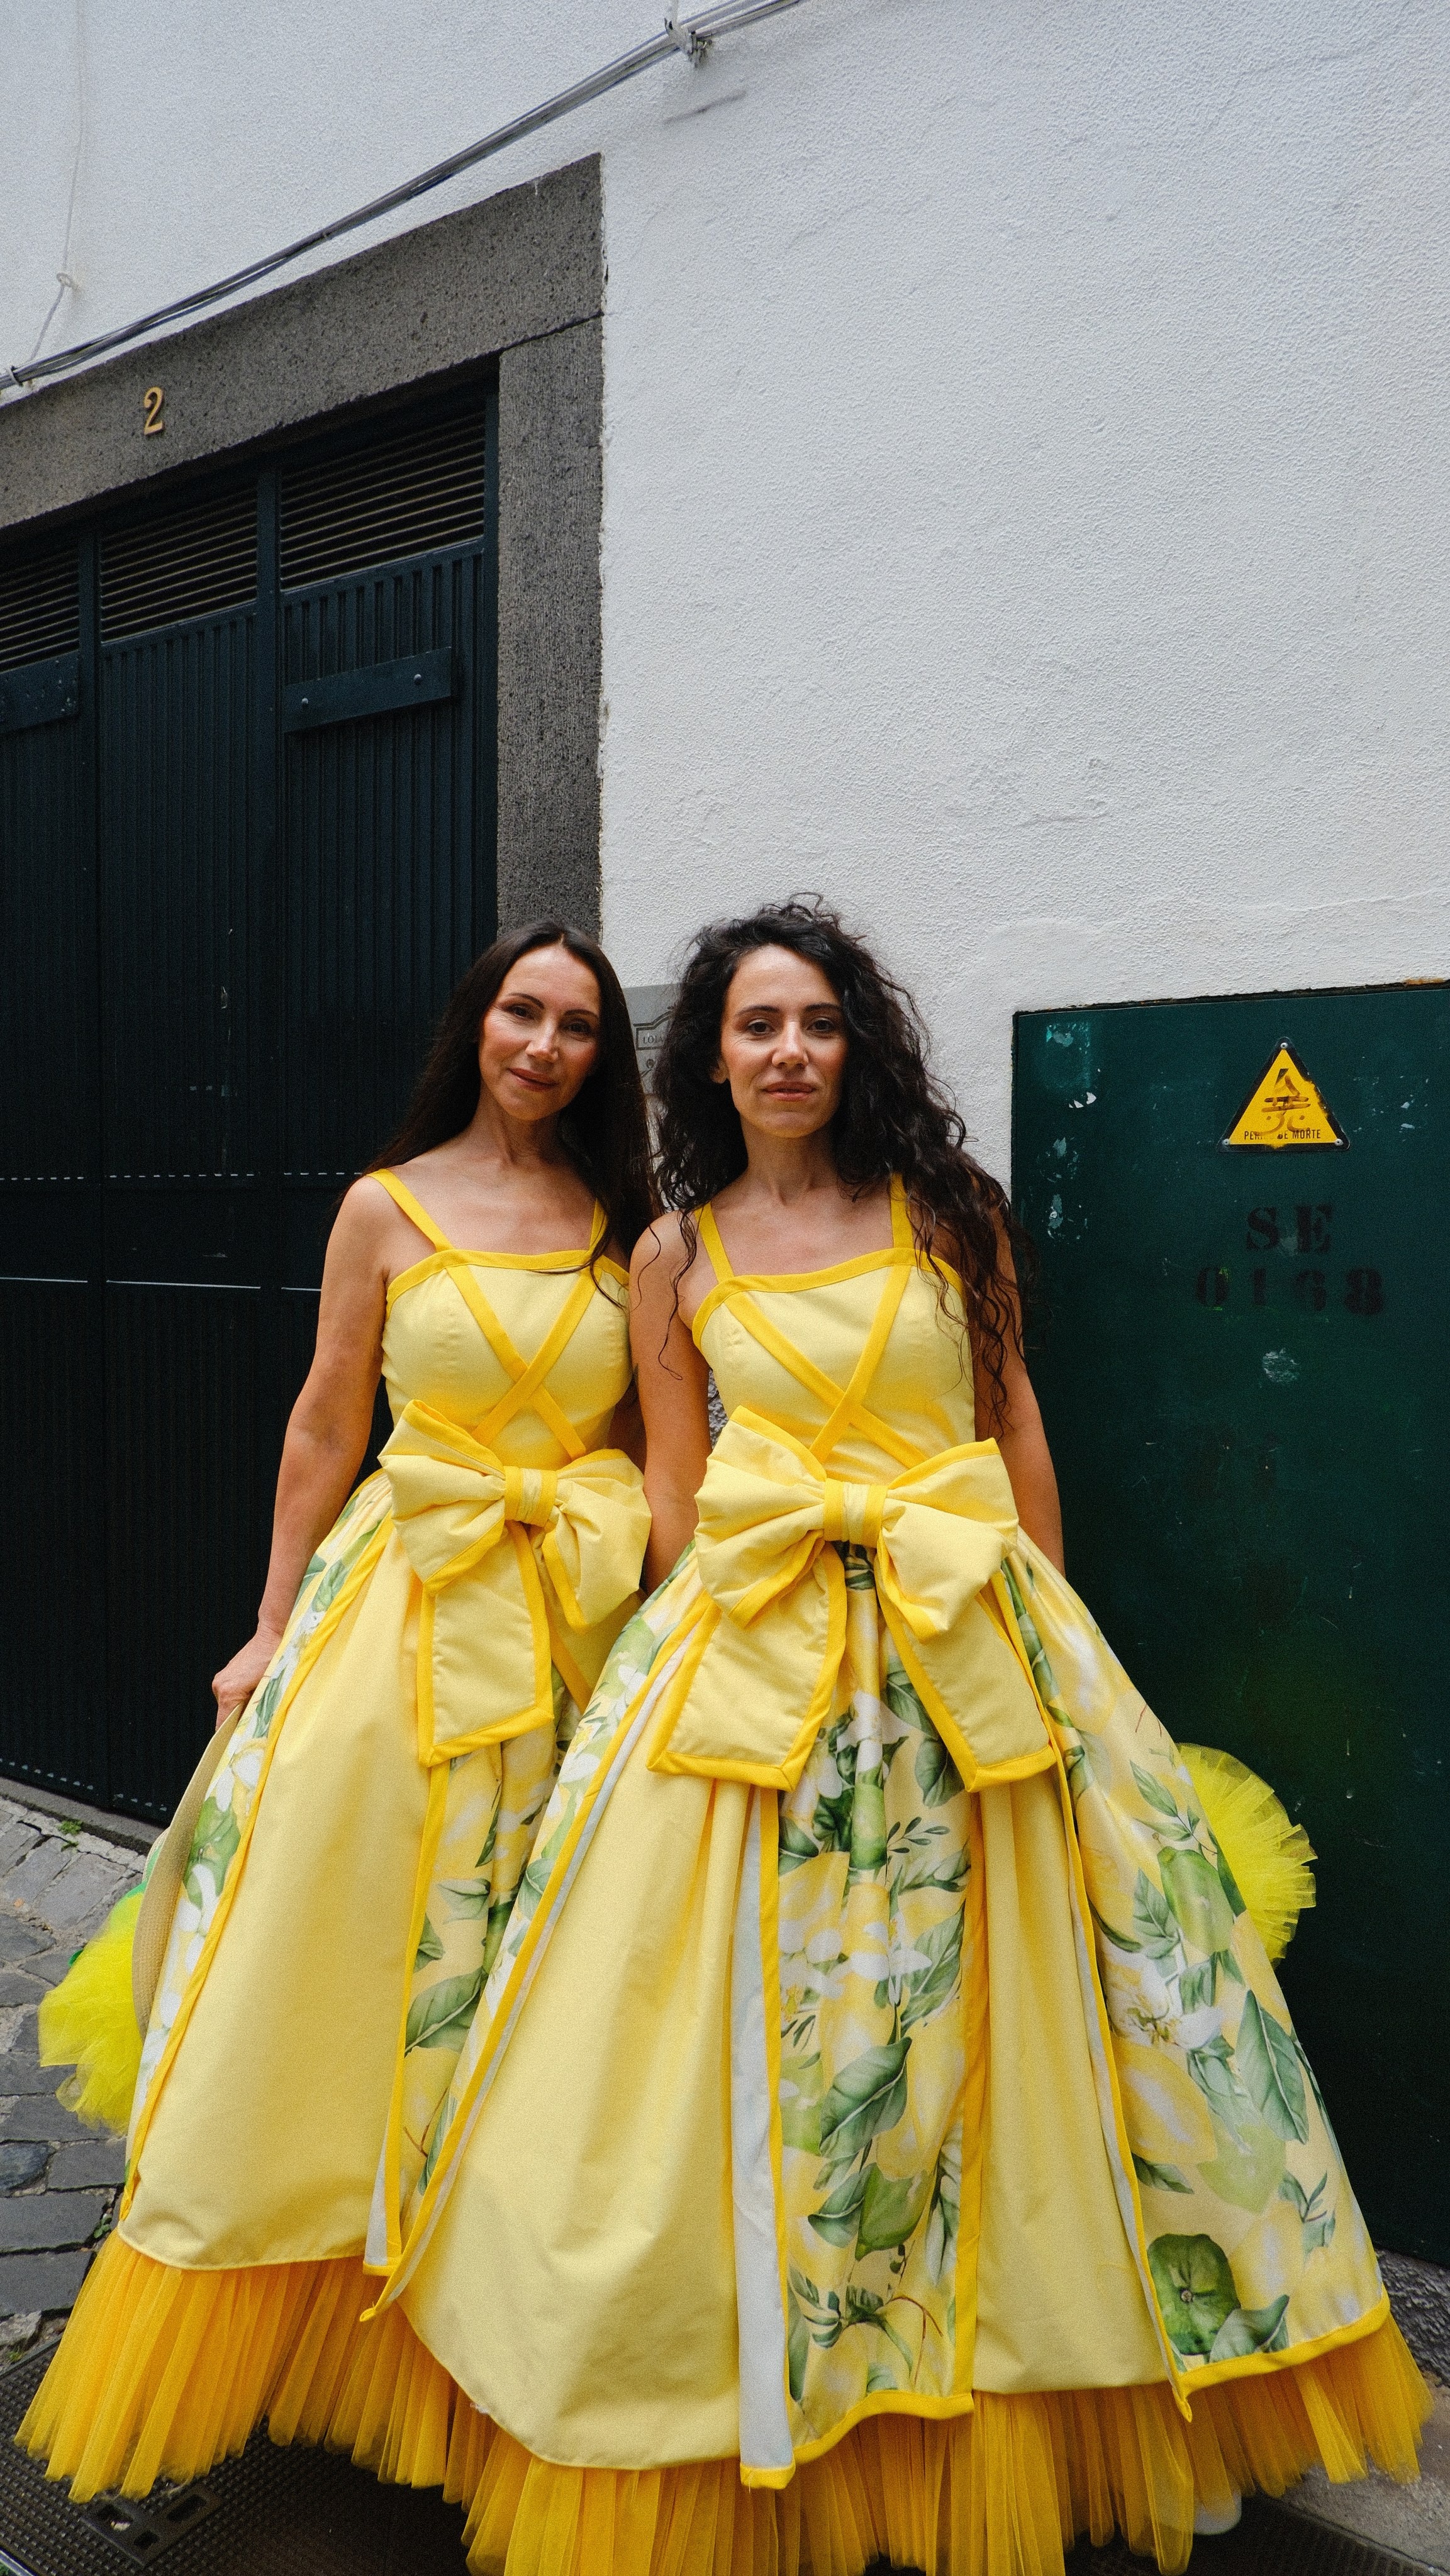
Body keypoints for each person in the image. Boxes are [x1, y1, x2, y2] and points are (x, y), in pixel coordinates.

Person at [287, 897, 1418, 2576]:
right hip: (757, 1670)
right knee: (735, 2040)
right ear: (711, 1058)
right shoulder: (670, 1257)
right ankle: (735, 2394)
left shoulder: (948, 1210)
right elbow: (672, 1500)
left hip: (974, 1645)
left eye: (816, 1022)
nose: (791, 1052)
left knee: (1053, 2022)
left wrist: (1055, 1634)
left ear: (857, 1042)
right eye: (757, 1026)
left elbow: (1008, 1420)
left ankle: (1041, 2379)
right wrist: (642, 1700)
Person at [21, 920, 655, 2504]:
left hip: (574, 1623)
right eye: (523, 1010)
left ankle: (472, 2321)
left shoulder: (628, 1224)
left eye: (579, 1023)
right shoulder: (385, 1201)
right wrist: (267, 1619)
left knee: (527, 1959)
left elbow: (663, 1444)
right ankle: (318, 2289)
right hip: (401, 1604)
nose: (545, 1044)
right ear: (479, 1021)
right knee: (355, 1933)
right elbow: (325, 1414)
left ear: (604, 1052)